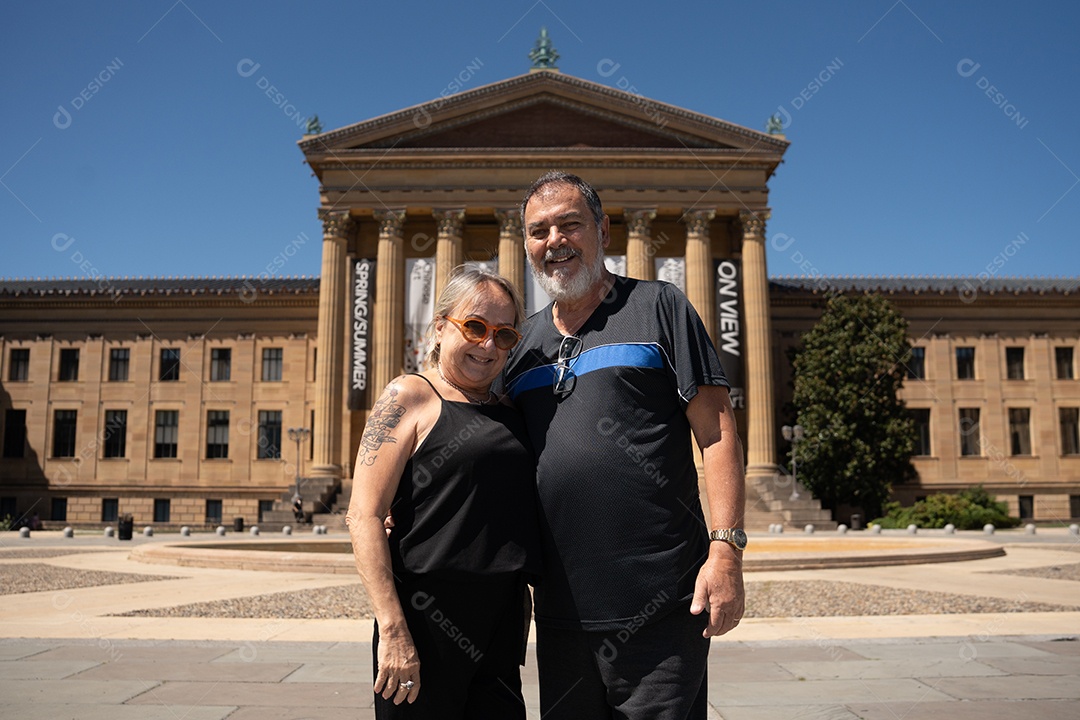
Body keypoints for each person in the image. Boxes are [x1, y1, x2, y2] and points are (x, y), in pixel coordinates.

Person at [501, 171, 746, 719]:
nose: (555, 242)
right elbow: (486, 452)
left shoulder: (660, 306)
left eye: (570, 225)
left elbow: (717, 432)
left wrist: (725, 550)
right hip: (562, 615)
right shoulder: (522, 349)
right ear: (526, 245)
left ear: (603, 230)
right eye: (539, 231)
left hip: (661, 608)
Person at [345, 268, 541, 719]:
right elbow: (364, 516)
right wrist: (393, 630)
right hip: (424, 623)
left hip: (499, 624)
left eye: (504, 334)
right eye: (474, 327)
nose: (488, 345)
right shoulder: (410, 395)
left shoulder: (510, 407)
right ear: (440, 327)